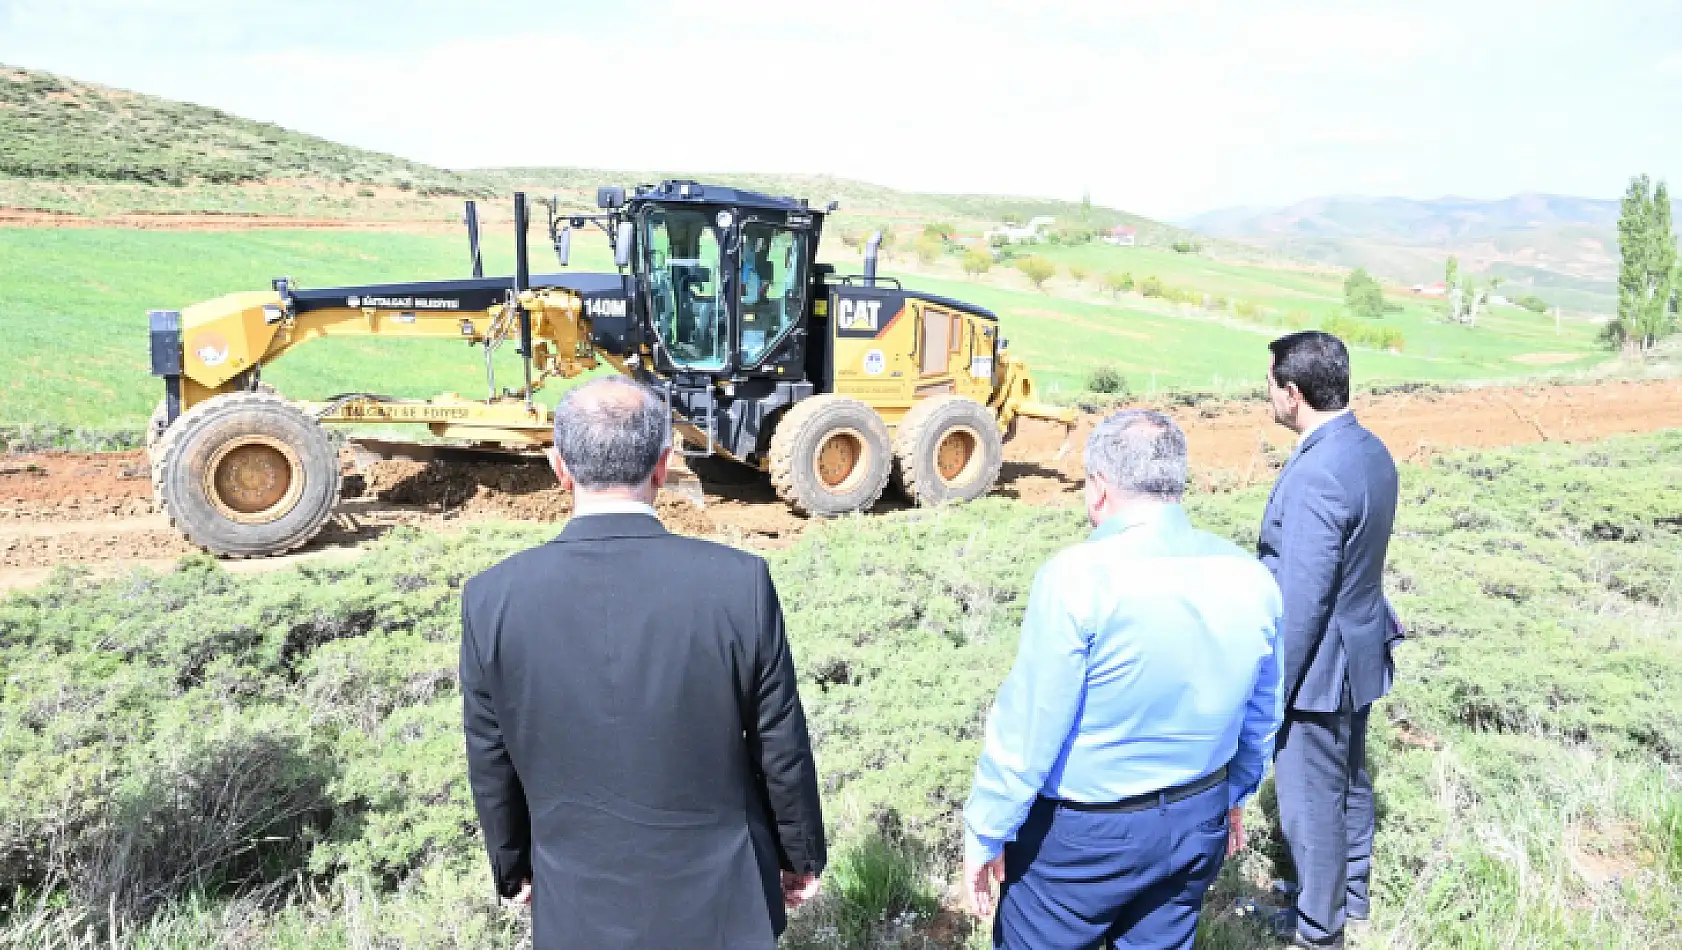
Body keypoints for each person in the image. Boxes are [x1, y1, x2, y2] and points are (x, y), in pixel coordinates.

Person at [459, 377, 826, 950]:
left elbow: (490, 756)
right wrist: (799, 855)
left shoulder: (492, 599)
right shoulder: (737, 585)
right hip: (723, 907)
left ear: (559, 467)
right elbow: (780, 740)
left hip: (575, 907)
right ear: (664, 465)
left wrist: (513, 868)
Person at [962, 409, 1284, 950]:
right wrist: (1233, 797)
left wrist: (987, 829)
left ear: (1100, 487)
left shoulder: (1076, 576)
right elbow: (1261, 715)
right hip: (1196, 814)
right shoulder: (1251, 577)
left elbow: (1032, 728)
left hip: (1082, 838)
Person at [1257, 331, 1400, 949]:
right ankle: (1355, 895)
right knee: (1350, 780)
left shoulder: (1317, 472)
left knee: (1312, 803)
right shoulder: (1369, 449)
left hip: (1319, 667)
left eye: (1269, 384)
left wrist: (1273, 692)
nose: (1266, 394)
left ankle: (1320, 930)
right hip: (1362, 648)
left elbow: (1304, 597)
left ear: (1293, 394)